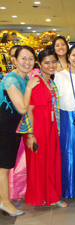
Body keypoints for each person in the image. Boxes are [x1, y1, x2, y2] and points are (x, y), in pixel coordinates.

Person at [25, 48, 67, 207]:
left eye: (53, 62)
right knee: (39, 162)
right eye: (46, 62)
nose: (51, 65)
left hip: (50, 126)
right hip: (37, 127)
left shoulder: (50, 81)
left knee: (49, 161)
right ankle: (49, 197)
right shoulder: (35, 81)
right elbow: (29, 109)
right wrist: (30, 134)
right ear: (39, 64)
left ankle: (47, 195)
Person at [0, 46, 39, 216]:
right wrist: (29, 87)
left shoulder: (24, 79)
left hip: (12, 129)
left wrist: (30, 133)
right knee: (3, 168)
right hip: (4, 128)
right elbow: (23, 108)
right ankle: (5, 203)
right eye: (23, 58)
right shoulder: (11, 80)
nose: (27, 62)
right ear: (14, 60)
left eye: (31, 58)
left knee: (6, 165)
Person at [54, 45, 75, 198]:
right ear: (68, 57)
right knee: (67, 152)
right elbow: (56, 99)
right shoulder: (60, 75)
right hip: (66, 117)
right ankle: (69, 187)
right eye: (73, 55)